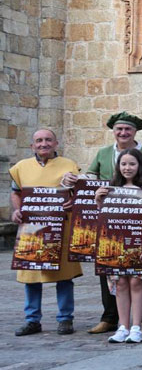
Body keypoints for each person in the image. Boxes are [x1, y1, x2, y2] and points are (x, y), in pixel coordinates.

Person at [86, 111, 142, 334]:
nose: (123, 133)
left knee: (140, 276)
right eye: (119, 129)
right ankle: (111, 318)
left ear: (135, 132)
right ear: (114, 131)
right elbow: (91, 178)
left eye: (127, 129)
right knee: (113, 273)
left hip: (137, 223)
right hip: (112, 225)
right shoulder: (103, 153)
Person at [10, 129, 82, 336]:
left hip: (60, 227)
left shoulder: (70, 166)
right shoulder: (21, 167)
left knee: (64, 277)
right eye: (39, 141)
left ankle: (65, 319)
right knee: (31, 276)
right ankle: (32, 320)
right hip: (31, 228)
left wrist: (73, 202)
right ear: (32, 145)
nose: (44, 144)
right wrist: (17, 210)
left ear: (56, 143)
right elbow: (16, 193)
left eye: (48, 140)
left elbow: (78, 193)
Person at [94, 149, 142, 344]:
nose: (127, 168)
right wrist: (98, 200)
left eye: (131, 164)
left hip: (138, 244)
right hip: (116, 245)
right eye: (123, 164)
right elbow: (104, 218)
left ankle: (136, 326)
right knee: (120, 284)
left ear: (139, 166)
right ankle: (123, 326)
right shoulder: (110, 189)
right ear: (118, 167)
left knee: (137, 283)